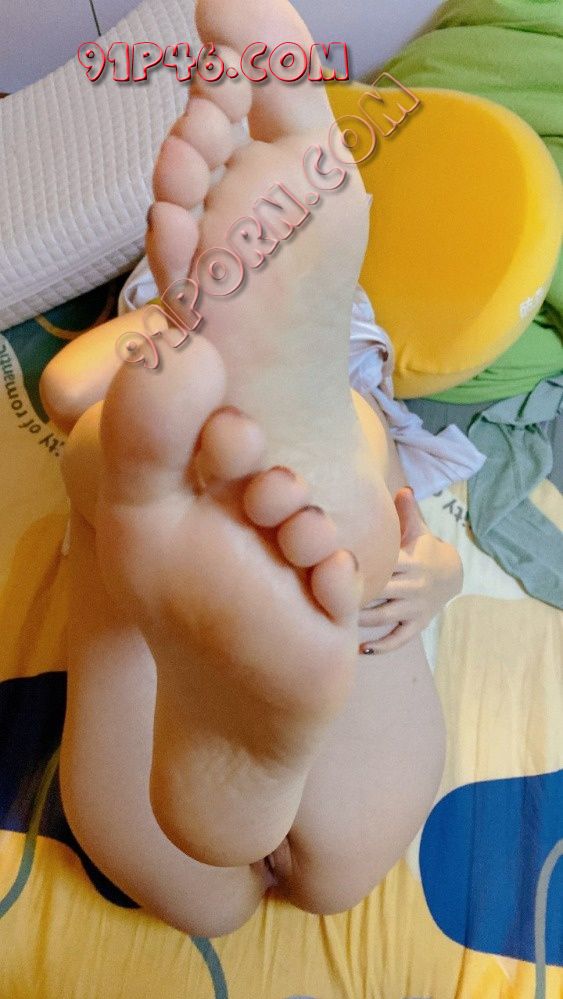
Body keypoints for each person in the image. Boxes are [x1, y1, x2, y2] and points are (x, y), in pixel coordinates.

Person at [39, 0, 460, 937]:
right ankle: (200, 462)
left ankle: (253, 449)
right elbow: (69, 385)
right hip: (190, 461)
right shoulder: (158, 307)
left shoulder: (345, 342)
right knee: (115, 436)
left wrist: (435, 574)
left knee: (341, 465)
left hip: (303, 484)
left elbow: (407, 513)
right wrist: (181, 313)